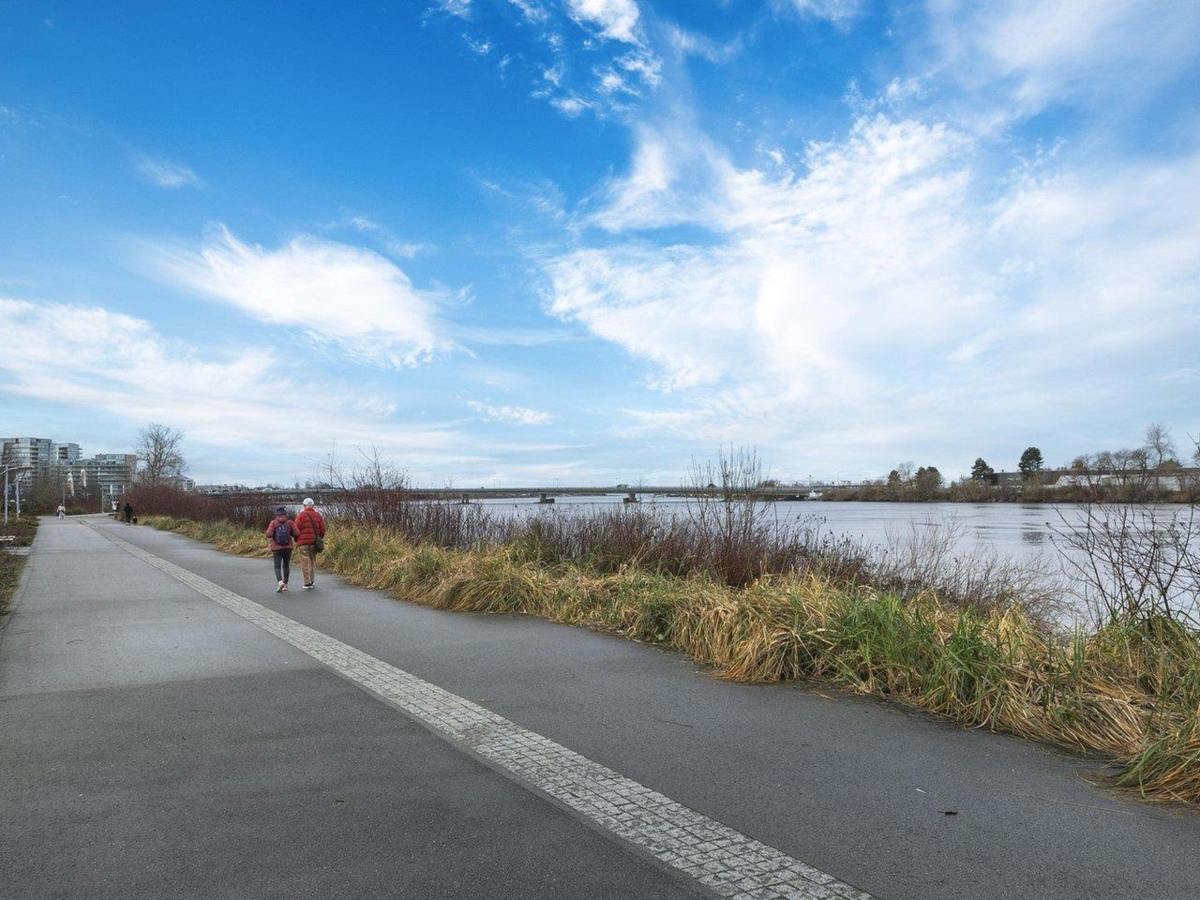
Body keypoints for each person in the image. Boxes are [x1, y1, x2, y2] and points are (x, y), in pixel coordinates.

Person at [293, 498, 326, 590]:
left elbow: (295, 529)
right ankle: (311, 580)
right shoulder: (318, 515)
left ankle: (307, 582)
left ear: (304, 506)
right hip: (313, 542)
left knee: (304, 562)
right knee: (312, 561)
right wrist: (319, 538)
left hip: (302, 543)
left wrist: (297, 539)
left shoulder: (300, 515)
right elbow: (322, 529)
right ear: (313, 506)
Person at [265, 506, 299, 593]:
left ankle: (280, 582)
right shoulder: (290, 523)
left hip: (276, 548)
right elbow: (297, 533)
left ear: (276, 515)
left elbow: (268, 534)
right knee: (286, 565)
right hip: (288, 548)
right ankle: (285, 584)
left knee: (277, 566)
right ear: (285, 514)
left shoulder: (273, 523)